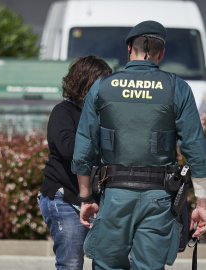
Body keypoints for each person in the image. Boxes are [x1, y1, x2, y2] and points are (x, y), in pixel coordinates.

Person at [71, 21, 206, 270]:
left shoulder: (101, 88)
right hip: (159, 198)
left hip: (115, 195)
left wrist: (86, 197)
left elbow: (83, 151)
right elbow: (196, 152)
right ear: (161, 53)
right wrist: (201, 205)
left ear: (129, 48)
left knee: (108, 265)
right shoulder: (178, 88)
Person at [38, 56, 112, 270]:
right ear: (86, 83)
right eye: (102, 82)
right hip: (65, 199)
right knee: (71, 264)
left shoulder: (106, 115)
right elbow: (69, 150)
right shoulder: (63, 112)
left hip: (98, 200)